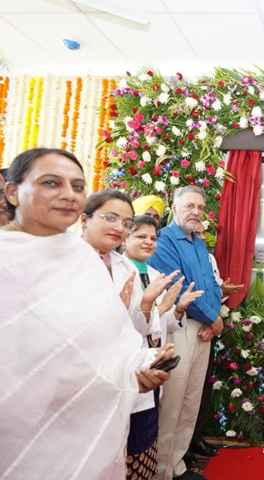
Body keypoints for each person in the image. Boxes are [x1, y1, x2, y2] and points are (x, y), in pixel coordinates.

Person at [0, 148, 173, 480]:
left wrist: (138, 368)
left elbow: (110, 342)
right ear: (12, 191)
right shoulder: (6, 256)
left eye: (77, 186)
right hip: (20, 430)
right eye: (52, 183)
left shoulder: (81, 259)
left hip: (84, 425)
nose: (68, 194)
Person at [148, 186, 223, 480]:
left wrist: (214, 318)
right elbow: (178, 287)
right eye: (190, 206)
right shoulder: (164, 240)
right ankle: (160, 471)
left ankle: (177, 466)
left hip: (203, 328)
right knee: (172, 402)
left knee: (190, 401)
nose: (196, 212)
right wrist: (213, 319)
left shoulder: (198, 243)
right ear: (174, 207)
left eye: (200, 207)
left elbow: (212, 285)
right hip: (178, 326)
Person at [122, 215, 205, 480]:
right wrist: (152, 308)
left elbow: (163, 323)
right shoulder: (119, 273)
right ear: (125, 237)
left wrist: (177, 309)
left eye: (152, 238)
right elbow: (121, 324)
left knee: (148, 430)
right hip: (128, 363)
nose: (148, 242)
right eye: (140, 236)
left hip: (153, 359)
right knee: (128, 437)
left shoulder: (155, 274)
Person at [184, 222, 243, 467]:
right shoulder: (180, 257)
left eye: (202, 233)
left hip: (209, 327)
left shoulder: (209, 259)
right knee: (182, 393)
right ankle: (181, 450)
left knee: (200, 389)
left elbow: (213, 292)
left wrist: (222, 291)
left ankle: (194, 438)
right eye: (195, 234)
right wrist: (211, 320)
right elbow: (188, 295)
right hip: (189, 326)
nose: (200, 238)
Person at [81, 189, 178, 338]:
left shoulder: (127, 268)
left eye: (126, 223)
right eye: (111, 218)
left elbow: (139, 331)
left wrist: (146, 303)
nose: (120, 228)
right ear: (84, 220)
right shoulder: (64, 260)